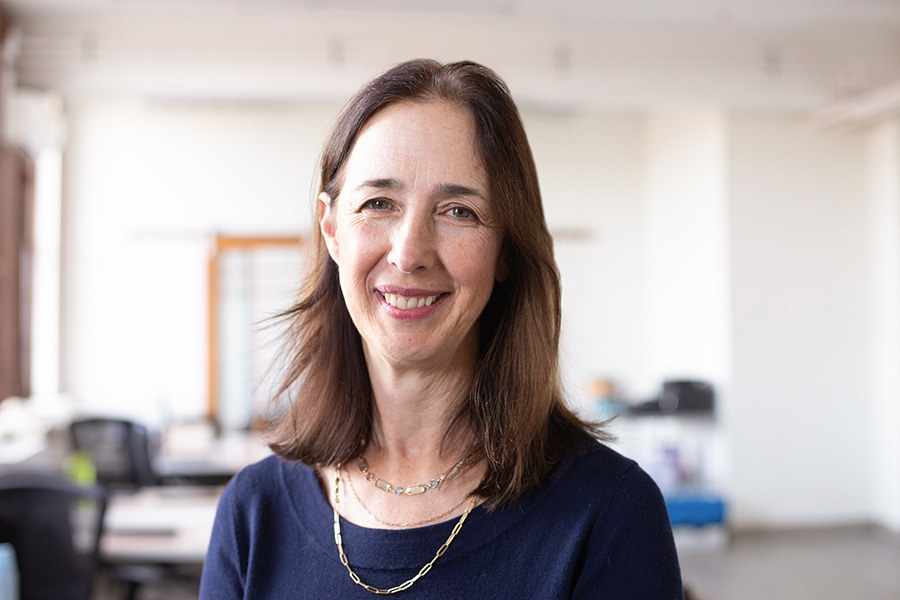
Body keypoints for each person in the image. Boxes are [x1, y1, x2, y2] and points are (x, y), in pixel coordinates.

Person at [199, 59, 683, 599]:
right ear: (332, 229)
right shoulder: (252, 513)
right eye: (378, 203)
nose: (409, 253)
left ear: (505, 249)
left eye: (458, 211)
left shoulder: (608, 514)